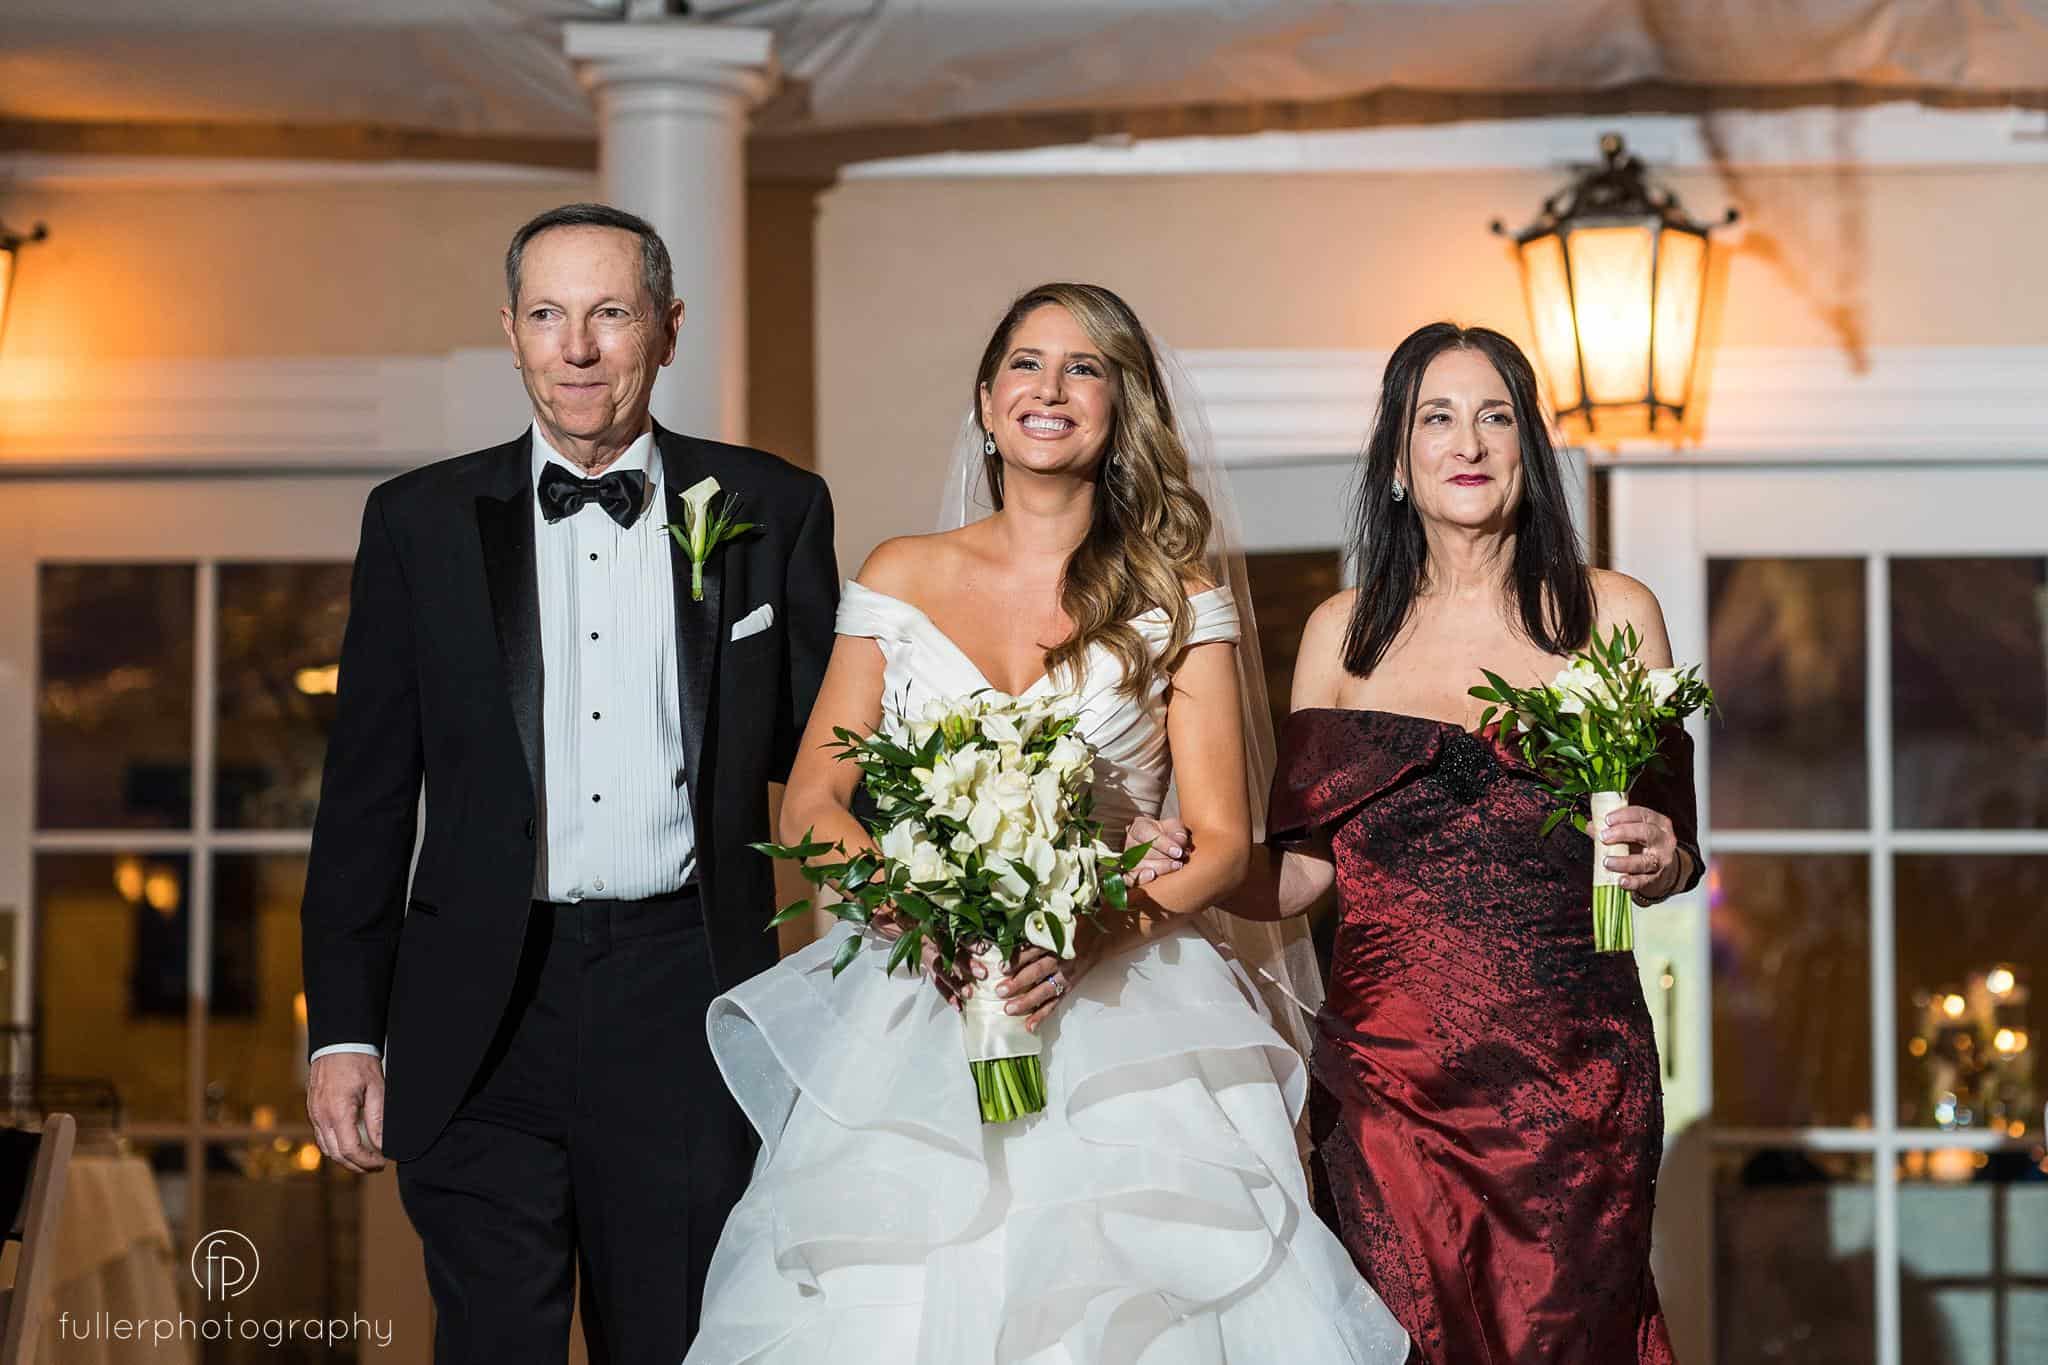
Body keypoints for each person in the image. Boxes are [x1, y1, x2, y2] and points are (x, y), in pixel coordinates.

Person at [683, 283, 1409, 1364]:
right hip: (918, 994)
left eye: (1084, 368)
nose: (1050, 388)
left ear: (1120, 410)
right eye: (1025, 363)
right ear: (985, 402)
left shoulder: (1176, 597)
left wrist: (1081, 938)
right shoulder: (900, 574)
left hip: (1126, 1000)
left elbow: (1214, 842)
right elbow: (814, 799)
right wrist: (916, 916)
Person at [299, 203, 839, 1363]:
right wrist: (342, 1029)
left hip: (686, 994)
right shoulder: (416, 523)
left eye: (609, 315)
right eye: (547, 316)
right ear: (510, 332)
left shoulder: (772, 508)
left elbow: (825, 761)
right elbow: (364, 801)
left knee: (679, 1340)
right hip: (478, 1011)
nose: (577, 349)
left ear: (667, 330)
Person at [1164, 321, 1700, 1364]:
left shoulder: (1614, 613)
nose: (1468, 440)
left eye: (1495, 415)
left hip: (1573, 1077)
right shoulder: (1340, 631)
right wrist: (1194, 857)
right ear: (1399, 462)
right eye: (1437, 417)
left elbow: (1671, 858)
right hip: (1384, 1079)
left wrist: (1654, 853)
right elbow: (1301, 876)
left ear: (1526, 450)